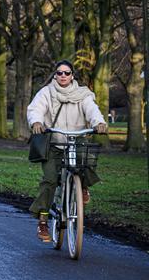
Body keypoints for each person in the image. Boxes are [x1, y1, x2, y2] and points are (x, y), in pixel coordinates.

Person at [27, 59, 108, 242]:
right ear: (55, 75)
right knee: (49, 180)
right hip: (53, 143)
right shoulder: (46, 92)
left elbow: (92, 110)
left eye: (67, 73)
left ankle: (82, 187)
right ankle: (43, 221)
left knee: (85, 159)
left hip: (76, 140)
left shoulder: (83, 94)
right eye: (59, 73)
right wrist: (37, 122)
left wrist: (99, 123)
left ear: (72, 76)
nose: (63, 76)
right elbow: (36, 109)